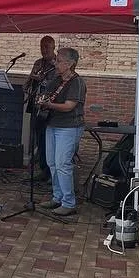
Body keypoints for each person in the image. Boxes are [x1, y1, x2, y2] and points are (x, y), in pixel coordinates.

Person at [37, 47, 87, 217]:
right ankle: (57, 197)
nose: (55, 63)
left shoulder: (77, 82)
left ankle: (68, 202)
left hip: (69, 127)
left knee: (63, 164)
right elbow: (46, 94)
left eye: (59, 61)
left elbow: (69, 106)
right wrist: (41, 99)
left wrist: (49, 105)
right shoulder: (56, 79)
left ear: (70, 64)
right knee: (52, 162)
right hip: (53, 124)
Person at [24, 35, 58, 183]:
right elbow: (29, 82)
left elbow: (56, 85)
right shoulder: (38, 63)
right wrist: (30, 80)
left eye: (47, 47)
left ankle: (51, 173)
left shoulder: (57, 64)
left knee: (48, 141)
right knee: (38, 139)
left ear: (53, 47)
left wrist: (42, 80)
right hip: (36, 106)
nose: (43, 50)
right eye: (42, 47)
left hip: (50, 109)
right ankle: (42, 170)